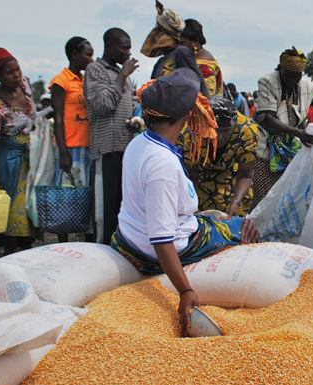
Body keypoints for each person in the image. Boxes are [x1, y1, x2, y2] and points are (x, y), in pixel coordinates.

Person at [111, 69, 260, 335]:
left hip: (128, 236)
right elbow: (161, 239)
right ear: (187, 115)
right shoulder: (162, 165)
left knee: (215, 218)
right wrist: (186, 290)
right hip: (157, 250)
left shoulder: (139, 143)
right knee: (243, 228)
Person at [84, 28, 137, 244]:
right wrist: (123, 75)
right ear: (110, 47)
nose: (128, 53)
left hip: (124, 150)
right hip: (106, 151)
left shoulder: (121, 74)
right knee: (103, 212)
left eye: (129, 48)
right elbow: (102, 105)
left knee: (119, 207)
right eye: (124, 48)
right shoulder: (95, 69)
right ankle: (101, 252)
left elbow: (129, 106)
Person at [0, 48, 36, 253]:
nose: (16, 75)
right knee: (11, 204)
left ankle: (28, 247)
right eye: (9, 72)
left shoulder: (26, 85)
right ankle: (11, 252)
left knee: (30, 201)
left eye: (17, 69)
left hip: (32, 152)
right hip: (8, 157)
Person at [253, 47, 313, 206]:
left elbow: (303, 117)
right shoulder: (267, 82)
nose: (293, 80)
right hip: (267, 151)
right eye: (289, 76)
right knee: (264, 200)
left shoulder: (307, 86)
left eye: (297, 76)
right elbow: (267, 118)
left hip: (292, 152)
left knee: (288, 200)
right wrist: (297, 132)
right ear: (280, 69)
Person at [178, 96, 259, 216]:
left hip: (233, 186)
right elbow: (190, 174)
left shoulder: (247, 132)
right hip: (200, 186)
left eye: (225, 131)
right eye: (214, 132)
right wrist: (191, 206)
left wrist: (235, 202)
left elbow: (246, 175)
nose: (219, 137)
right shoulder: (190, 132)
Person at [49, 37, 95, 241]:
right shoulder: (61, 81)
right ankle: (63, 239)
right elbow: (58, 117)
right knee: (66, 195)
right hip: (71, 146)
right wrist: (63, 151)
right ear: (74, 55)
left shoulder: (85, 80)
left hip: (87, 145)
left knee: (84, 195)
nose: (90, 58)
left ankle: (83, 238)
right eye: (87, 54)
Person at [141, 0, 207, 95]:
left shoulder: (182, 52)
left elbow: (200, 86)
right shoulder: (162, 60)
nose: (154, 35)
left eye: (158, 30)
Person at [179, 19, 224, 97]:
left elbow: (205, 100)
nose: (179, 47)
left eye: (183, 43)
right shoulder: (197, 60)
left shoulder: (204, 67)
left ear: (195, 42)